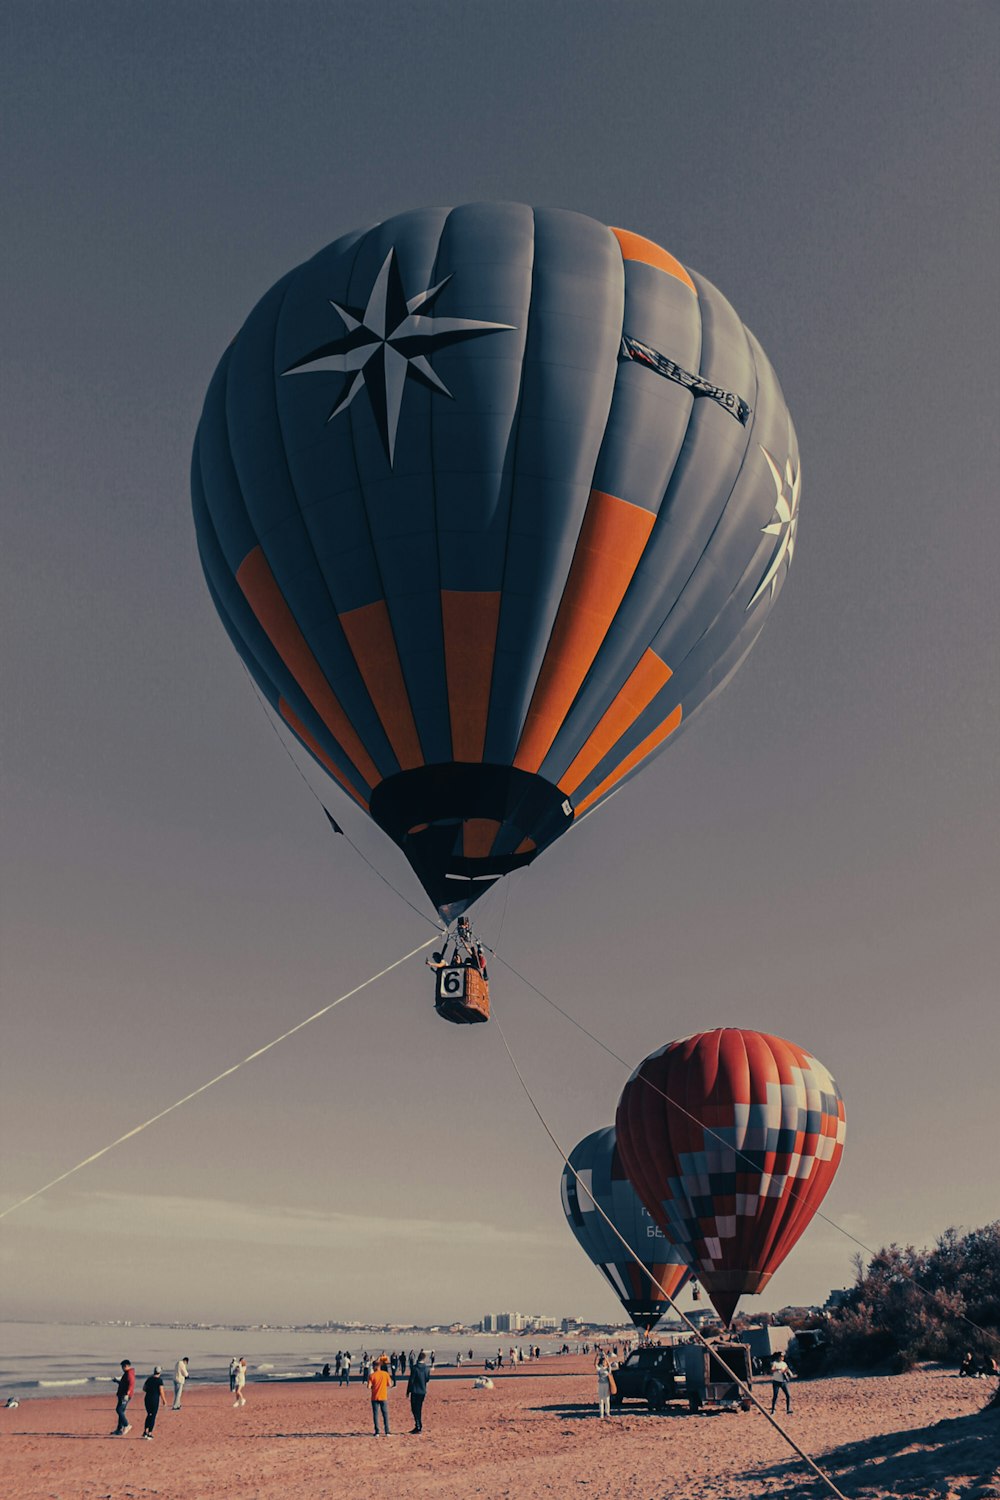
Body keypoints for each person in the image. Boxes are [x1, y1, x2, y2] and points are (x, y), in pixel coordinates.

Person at [369, 1354, 392, 1436]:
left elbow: (368, 1386)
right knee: (385, 1414)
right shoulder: (385, 1374)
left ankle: (377, 1431)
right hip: (383, 1396)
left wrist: (374, 1385)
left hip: (375, 1397)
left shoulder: (372, 1375)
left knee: (376, 1414)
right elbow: (390, 1384)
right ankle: (387, 1431)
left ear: (375, 1367)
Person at [406, 1351, 430, 1433]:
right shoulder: (426, 1368)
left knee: (414, 1409)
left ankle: (418, 1425)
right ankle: (418, 1425)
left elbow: (411, 1380)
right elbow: (427, 1379)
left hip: (415, 1391)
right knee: (419, 1408)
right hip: (422, 1391)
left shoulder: (415, 1368)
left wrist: (408, 1391)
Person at [142, 1367, 166, 1439]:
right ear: (160, 1372)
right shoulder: (159, 1380)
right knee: (153, 1416)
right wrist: (164, 1400)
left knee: (149, 1414)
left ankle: (145, 1431)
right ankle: (150, 1433)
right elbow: (161, 1391)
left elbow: (144, 1388)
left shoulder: (149, 1379)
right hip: (154, 1399)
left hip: (147, 1398)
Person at [113, 1359, 134, 1435]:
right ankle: (119, 1429)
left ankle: (126, 1425)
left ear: (127, 1366)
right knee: (121, 1412)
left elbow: (131, 1384)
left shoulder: (129, 1374)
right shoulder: (126, 1373)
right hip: (122, 1394)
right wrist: (117, 1381)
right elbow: (124, 1384)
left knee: (119, 1410)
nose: (122, 1368)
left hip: (125, 1395)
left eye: (123, 1367)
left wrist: (127, 1394)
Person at [596, 1354, 615, 1419]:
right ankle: (601, 1414)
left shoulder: (607, 1369)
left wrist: (606, 1359)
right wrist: (596, 1357)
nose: (604, 1362)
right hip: (601, 1384)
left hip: (606, 1384)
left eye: (605, 1362)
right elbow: (595, 1365)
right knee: (601, 1400)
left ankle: (607, 1412)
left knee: (607, 1399)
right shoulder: (599, 1369)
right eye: (603, 1361)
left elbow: (609, 1366)